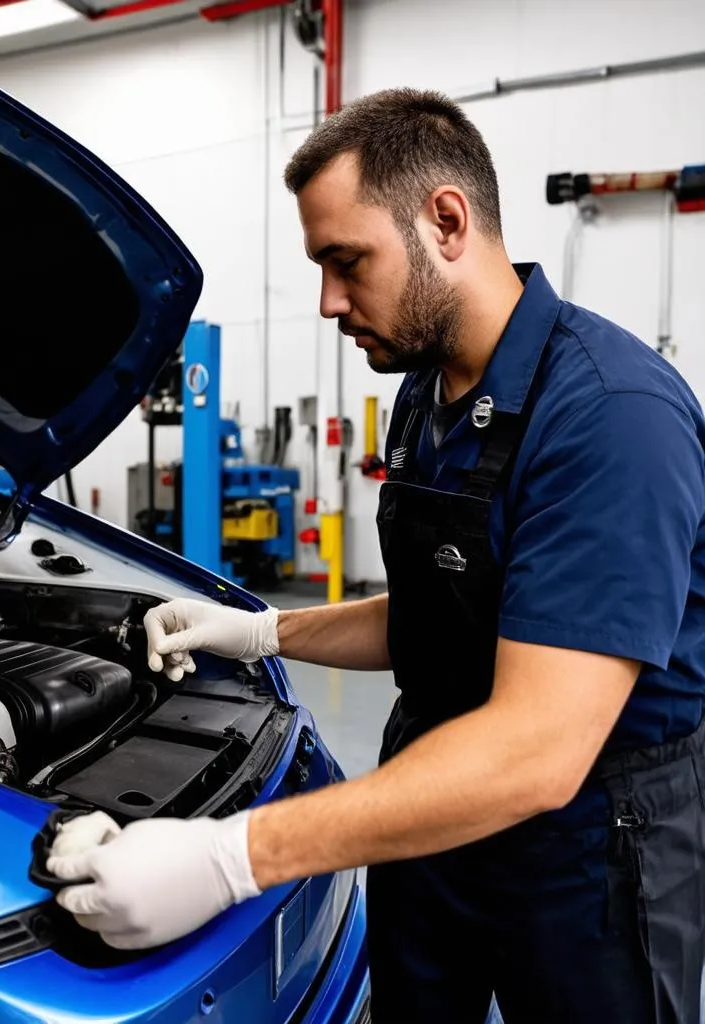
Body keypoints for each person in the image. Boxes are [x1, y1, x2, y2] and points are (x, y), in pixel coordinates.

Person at [46, 88, 705, 1023]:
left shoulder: (610, 416)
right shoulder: (423, 391)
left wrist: (231, 856)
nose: (326, 302)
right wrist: (261, 629)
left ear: (445, 221)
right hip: (430, 790)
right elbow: (443, 611)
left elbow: (540, 749)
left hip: (591, 838)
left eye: (345, 261)